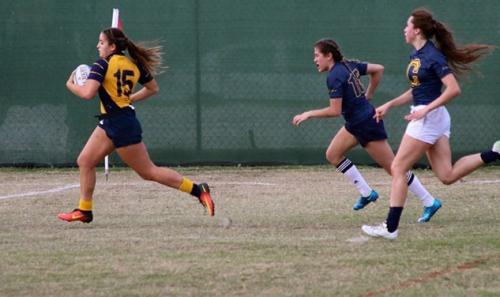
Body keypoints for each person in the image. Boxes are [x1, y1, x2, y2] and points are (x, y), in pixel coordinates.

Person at [362, 8, 498, 239]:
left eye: (407, 25)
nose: (403, 29)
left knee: (397, 168)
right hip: (431, 117)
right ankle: (494, 152)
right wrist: (390, 104)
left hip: (428, 119)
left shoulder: (432, 56)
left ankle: (390, 228)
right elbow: (417, 91)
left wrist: (427, 109)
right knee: (446, 175)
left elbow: (453, 89)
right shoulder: (416, 56)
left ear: (416, 30)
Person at [58, 28, 215, 223]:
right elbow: (153, 88)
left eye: (101, 42)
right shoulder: (133, 65)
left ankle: (198, 190)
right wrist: (129, 98)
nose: (98, 46)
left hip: (120, 123)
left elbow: (87, 93)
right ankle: (84, 210)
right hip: (113, 121)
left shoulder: (102, 65)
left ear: (112, 46)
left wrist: (70, 84)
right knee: (85, 161)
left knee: (148, 172)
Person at [292, 38, 441, 222]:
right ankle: (367, 193)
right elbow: (378, 69)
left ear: (328, 56)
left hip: (366, 124)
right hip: (356, 123)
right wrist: (368, 94)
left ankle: (429, 201)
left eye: (317, 55)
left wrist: (309, 113)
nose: (315, 59)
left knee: (395, 168)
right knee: (333, 155)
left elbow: (335, 110)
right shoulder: (348, 65)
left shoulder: (334, 76)